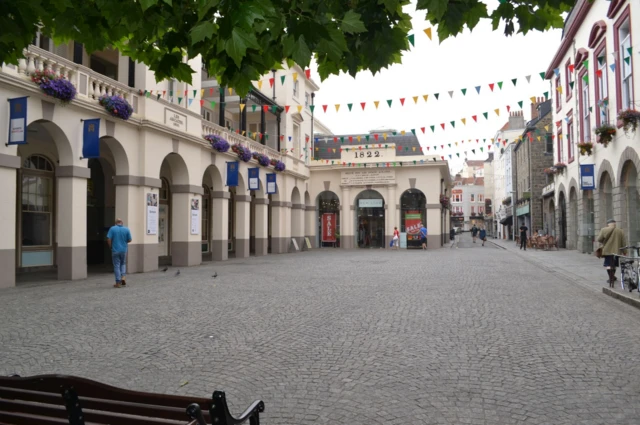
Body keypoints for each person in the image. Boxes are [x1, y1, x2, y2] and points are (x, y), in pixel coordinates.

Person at [597, 219, 627, 288]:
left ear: (608, 224)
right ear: (615, 224)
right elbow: (623, 242)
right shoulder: (620, 231)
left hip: (607, 251)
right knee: (614, 265)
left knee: (608, 265)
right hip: (616, 251)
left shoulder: (604, 229)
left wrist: (604, 241)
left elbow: (599, 239)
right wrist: (624, 252)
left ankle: (611, 277)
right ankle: (612, 276)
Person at [107, 218, 132, 288]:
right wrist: (124, 242)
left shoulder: (112, 229)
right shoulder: (126, 229)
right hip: (124, 250)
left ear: (116, 223)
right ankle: (123, 276)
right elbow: (130, 239)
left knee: (116, 265)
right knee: (123, 263)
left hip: (115, 250)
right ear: (122, 223)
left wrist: (110, 246)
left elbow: (108, 239)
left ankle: (118, 282)